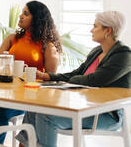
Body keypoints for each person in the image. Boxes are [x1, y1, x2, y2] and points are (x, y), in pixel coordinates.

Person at [16, 11, 131, 147]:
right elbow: (76, 73)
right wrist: (47, 76)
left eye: (95, 26)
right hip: (85, 108)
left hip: (105, 115)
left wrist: (72, 80)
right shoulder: (97, 51)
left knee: (46, 116)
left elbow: (94, 80)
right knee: (34, 109)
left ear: (108, 30)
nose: (91, 30)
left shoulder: (123, 54)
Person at [0, 0, 62, 144]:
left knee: (1, 111)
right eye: (22, 13)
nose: (20, 16)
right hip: (3, 92)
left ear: (37, 19)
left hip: (28, 98)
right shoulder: (13, 38)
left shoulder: (48, 45)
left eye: (26, 14)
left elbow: (51, 78)